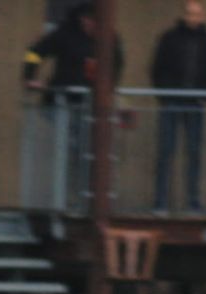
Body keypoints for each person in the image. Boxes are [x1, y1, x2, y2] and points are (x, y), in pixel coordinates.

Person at [22, 3, 123, 194]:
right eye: (89, 21)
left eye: (96, 22)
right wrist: (29, 77)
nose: (92, 26)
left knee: (91, 149)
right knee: (75, 147)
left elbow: (117, 63)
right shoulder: (65, 34)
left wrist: (110, 88)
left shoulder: (108, 38)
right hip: (64, 103)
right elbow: (35, 52)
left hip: (92, 106)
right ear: (82, 19)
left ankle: (85, 191)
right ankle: (71, 192)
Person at [148, 1, 206, 215]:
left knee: (194, 153)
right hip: (172, 101)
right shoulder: (169, 38)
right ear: (184, 15)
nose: (194, 18)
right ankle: (161, 201)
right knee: (166, 151)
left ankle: (193, 202)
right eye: (190, 14)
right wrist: (164, 95)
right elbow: (156, 68)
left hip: (195, 103)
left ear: (203, 16)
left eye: (198, 14)